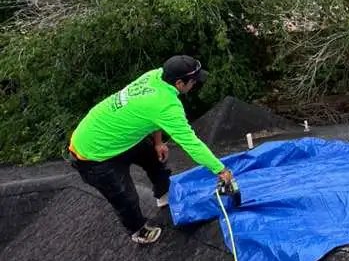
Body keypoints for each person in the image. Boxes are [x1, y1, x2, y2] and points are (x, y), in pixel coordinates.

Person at [68, 55, 234, 244]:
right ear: (179, 83)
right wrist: (220, 170)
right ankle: (138, 231)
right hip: (92, 153)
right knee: (124, 196)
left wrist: (158, 142)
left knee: (155, 159)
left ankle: (163, 194)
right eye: (193, 81)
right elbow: (191, 144)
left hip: (117, 136)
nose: (195, 85)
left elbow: (151, 116)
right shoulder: (167, 106)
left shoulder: (156, 76)